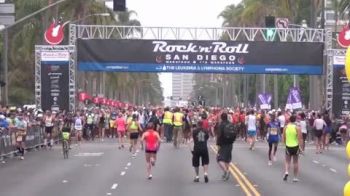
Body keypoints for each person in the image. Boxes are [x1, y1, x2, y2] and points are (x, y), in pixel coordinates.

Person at [282, 115, 303, 182]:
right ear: (295, 120)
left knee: (287, 161)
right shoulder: (297, 128)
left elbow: (284, 137)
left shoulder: (285, 127)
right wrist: (301, 147)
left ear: (289, 120)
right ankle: (295, 177)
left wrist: (285, 144)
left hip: (288, 146)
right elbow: (300, 138)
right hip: (295, 146)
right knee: (295, 162)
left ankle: (286, 172)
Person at [216, 112, 235, 181]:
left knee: (219, 159)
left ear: (221, 118)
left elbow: (219, 135)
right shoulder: (230, 124)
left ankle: (226, 171)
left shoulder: (221, 125)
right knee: (227, 159)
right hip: (230, 143)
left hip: (223, 144)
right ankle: (226, 172)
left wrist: (218, 144)